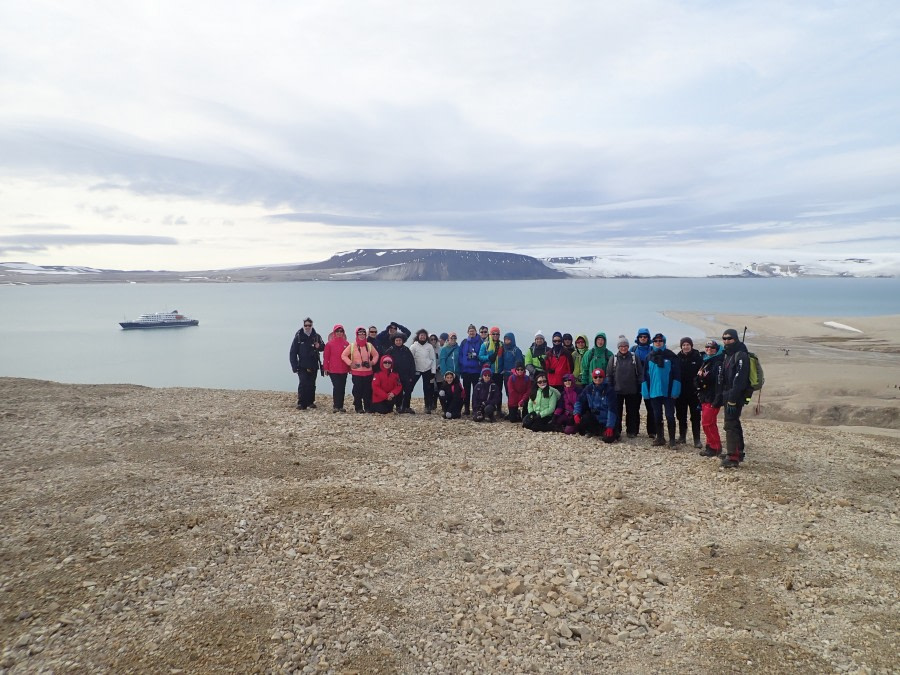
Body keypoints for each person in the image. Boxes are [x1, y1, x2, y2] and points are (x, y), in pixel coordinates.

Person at [641, 333, 682, 448]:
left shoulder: (671, 356)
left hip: (668, 392)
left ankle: (672, 440)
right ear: (653, 342)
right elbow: (645, 375)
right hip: (654, 392)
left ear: (664, 342)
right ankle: (660, 438)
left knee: (670, 416)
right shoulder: (649, 357)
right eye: (656, 341)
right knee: (657, 415)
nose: (658, 342)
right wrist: (645, 392)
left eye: (660, 340)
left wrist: (675, 391)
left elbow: (677, 375)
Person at [718, 328, 750, 468]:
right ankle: (739, 452)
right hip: (729, 394)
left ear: (735, 339)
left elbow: (740, 380)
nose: (726, 341)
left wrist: (732, 399)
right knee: (734, 423)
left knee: (730, 424)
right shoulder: (729, 354)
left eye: (729, 338)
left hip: (735, 396)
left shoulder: (741, 355)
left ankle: (733, 457)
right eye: (724, 338)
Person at [607, 335, 644, 439]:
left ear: (628, 346)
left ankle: (631, 431)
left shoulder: (634, 357)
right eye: (621, 346)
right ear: (618, 347)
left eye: (625, 346)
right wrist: (610, 388)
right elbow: (609, 374)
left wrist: (640, 386)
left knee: (632, 412)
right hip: (617, 391)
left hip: (632, 390)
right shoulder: (613, 358)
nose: (623, 348)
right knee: (617, 412)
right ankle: (617, 430)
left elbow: (640, 373)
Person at [696, 340, 724, 457]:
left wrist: (717, 400)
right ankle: (710, 445)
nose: (709, 349)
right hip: (705, 397)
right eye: (707, 347)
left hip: (712, 398)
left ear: (717, 350)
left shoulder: (718, 363)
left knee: (707, 423)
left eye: (712, 348)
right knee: (709, 423)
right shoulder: (706, 361)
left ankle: (715, 447)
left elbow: (718, 383)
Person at [341, 327, 379, 413]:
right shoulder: (352, 346)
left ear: (366, 335)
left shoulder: (369, 345)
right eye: (360, 334)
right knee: (357, 390)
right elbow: (343, 355)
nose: (361, 335)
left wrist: (372, 362)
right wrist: (351, 363)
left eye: (363, 333)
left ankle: (367, 407)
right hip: (357, 372)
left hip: (368, 372)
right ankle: (358, 407)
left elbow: (376, 355)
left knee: (367, 390)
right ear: (357, 335)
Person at [289, 317, 324, 410]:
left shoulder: (317, 336)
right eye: (306, 325)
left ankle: (310, 402)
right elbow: (293, 352)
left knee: (312, 384)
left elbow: (323, 347)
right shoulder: (298, 337)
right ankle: (301, 403)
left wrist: (319, 346)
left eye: (309, 325)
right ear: (303, 325)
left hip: (313, 364)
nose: (307, 327)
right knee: (303, 383)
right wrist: (294, 366)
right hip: (302, 365)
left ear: (312, 325)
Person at [574, 368, 617, 442]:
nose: (598, 379)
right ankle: (593, 431)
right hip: (594, 418)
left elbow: (612, 410)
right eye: (595, 377)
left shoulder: (610, 390)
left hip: (606, 420)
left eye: (600, 377)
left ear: (604, 378)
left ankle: (608, 431)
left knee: (608, 439)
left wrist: (610, 426)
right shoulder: (588, 388)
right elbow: (579, 401)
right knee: (580, 424)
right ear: (592, 378)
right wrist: (576, 413)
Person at [675, 337, 704, 447]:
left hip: (694, 393)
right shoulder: (677, 358)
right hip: (680, 393)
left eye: (687, 345)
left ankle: (697, 439)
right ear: (681, 346)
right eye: (683, 345)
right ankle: (682, 437)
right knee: (681, 415)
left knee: (695, 416)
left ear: (691, 346)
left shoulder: (698, 358)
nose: (685, 347)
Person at [631, 328, 656, 437]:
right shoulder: (633, 349)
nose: (643, 338)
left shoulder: (652, 350)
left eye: (645, 337)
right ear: (638, 338)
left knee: (651, 407)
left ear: (648, 338)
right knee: (634, 407)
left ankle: (652, 431)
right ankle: (634, 430)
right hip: (635, 382)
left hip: (649, 382)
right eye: (641, 337)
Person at [386, 332, 417, 414]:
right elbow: (385, 361)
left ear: (403, 341)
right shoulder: (390, 350)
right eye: (397, 340)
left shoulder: (406, 350)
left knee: (408, 391)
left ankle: (407, 406)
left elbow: (412, 363)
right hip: (395, 375)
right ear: (394, 341)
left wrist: (411, 375)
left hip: (406, 375)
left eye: (400, 340)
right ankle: (398, 406)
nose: (398, 342)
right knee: (398, 391)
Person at [322, 324, 350, 412]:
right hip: (333, 369)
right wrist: (325, 368)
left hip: (344, 369)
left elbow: (349, 357)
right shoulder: (329, 344)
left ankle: (340, 406)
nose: (339, 333)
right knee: (337, 386)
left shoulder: (347, 344)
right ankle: (336, 406)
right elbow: (326, 357)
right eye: (337, 331)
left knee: (342, 387)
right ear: (334, 332)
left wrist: (350, 368)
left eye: (341, 331)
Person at [410, 329, 438, 413]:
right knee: (410, 386)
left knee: (427, 389)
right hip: (416, 370)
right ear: (418, 336)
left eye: (424, 335)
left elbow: (433, 359)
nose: (422, 337)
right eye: (421, 335)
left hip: (427, 369)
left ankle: (427, 406)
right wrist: (410, 371)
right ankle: (405, 404)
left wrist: (433, 372)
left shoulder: (429, 346)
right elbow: (410, 359)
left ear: (426, 337)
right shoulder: (413, 346)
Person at [458, 324, 484, 415]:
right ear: (467, 332)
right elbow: (460, 354)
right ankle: (466, 409)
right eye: (470, 331)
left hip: (476, 371)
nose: (471, 333)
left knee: (476, 391)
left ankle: (475, 408)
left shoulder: (480, 342)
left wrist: (476, 357)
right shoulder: (464, 342)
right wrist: (462, 364)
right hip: (466, 371)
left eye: (473, 331)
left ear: (476, 332)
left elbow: (482, 354)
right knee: (466, 390)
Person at [479, 327, 505, 410]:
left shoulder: (502, 345)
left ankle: (499, 410)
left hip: (500, 372)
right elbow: (480, 357)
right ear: (490, 334)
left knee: (499, 392)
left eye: (497, 334)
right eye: (493, 333)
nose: (495, 335)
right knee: (489, 391)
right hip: (489, 373)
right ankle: (489, 409)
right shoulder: (485, 344)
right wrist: (489, 357)